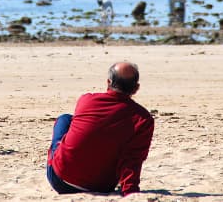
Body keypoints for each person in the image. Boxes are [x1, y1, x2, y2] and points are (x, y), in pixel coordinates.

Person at [47, 62, 154, 197]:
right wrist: (130, 192)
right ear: (136, 88)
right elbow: (132, 159)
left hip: (60, 180)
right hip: (101, 186)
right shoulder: (143, 118)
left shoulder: (87, 100)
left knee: (64, 119)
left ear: (108, 82)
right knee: (69, 120)